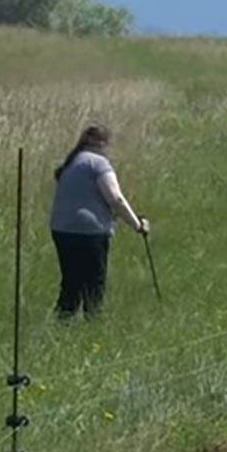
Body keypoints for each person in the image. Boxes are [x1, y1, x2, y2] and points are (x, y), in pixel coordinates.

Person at [49, 124, 149, 318]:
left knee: (71, 282)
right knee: (94, 282)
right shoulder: (99, 164)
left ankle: (63, 322)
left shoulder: (71, 162)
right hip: (89, 230)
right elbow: (115, 199)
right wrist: (137, 225)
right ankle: (92, 323)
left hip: (61, 229)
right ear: (102, 144)